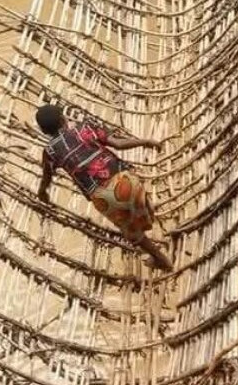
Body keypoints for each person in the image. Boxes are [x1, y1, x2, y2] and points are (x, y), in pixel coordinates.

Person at [35, 104, 173, 271]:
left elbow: (46, 179)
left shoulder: (50, 151)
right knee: (137, 196)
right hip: (124, 178)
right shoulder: (84, 128)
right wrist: (145, 141)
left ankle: (161, 260)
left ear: (44, 131)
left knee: (130, 231)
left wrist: (42, 193)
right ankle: (148, 214)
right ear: (63, 119)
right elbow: (118, 144)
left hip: (102, 196)